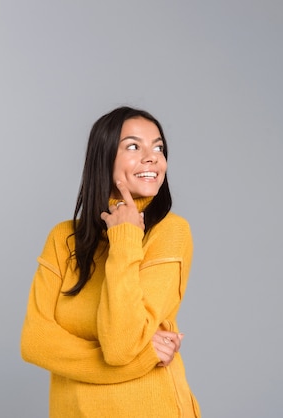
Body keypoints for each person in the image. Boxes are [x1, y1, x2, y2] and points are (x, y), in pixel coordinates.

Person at [21, 106, 200, 417]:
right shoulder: (63, 239)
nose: (152, 157)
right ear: (103, 158)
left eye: (158, 147)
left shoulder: (170, 232)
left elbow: (120, 346)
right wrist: (143, 357)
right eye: (133, 146)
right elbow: (35, 341)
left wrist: (126, 238)